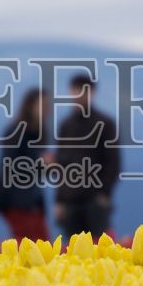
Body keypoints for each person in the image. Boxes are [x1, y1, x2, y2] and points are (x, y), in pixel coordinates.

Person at [52, 72, 120, 239]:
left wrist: (104, 194)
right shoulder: (66, 125)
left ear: (92, 93)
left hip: (94, 201)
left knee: (99, 247)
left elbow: (113, 162)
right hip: (70, 202)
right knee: (72, 249)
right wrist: (59, 200)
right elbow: (61, 166)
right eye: (75, 90)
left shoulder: (105, 123)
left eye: (82, 91)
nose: (78, 95)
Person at [0, 87, 51, 241]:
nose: (46, 110)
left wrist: (48, 166)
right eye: (42, 105)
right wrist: (39, 163)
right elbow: (9, 166)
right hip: (16, 201)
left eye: (48, 106)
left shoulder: (39, 132)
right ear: (29, 105)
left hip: (34, 202)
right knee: (31, 243)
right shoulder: (16, 131)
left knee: (41, 242)